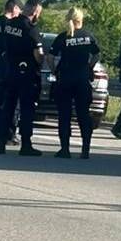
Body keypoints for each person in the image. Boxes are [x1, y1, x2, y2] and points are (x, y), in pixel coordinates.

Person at [48, 8, 100, 159]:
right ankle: (85, 150)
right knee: (83, 114)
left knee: (64, 115)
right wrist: (89, 66)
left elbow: (50, 57)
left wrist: (54, 71)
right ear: (81, 19)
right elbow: (97, 54)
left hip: (65, 79)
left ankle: (65, 149)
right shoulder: (88, 36)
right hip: (82, 80)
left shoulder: (63, 37)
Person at [0, 0, 45, 156]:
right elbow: (38, 53)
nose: (39, 16)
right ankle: (26, 144)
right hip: (26, 75)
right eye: (39, 12)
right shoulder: (30, 29)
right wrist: (41, 62)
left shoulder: (10, 25)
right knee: (26, 109)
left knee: (8, 107)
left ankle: (2, 143)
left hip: (10, 71)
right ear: (34, 9)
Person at [0, 0, 21, 146]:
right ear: (14, 8)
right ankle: (10, 134)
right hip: (10, 66)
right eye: (19, 9)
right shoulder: (10, 25)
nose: (19, 13)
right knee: (12, 104)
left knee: (0, 103)